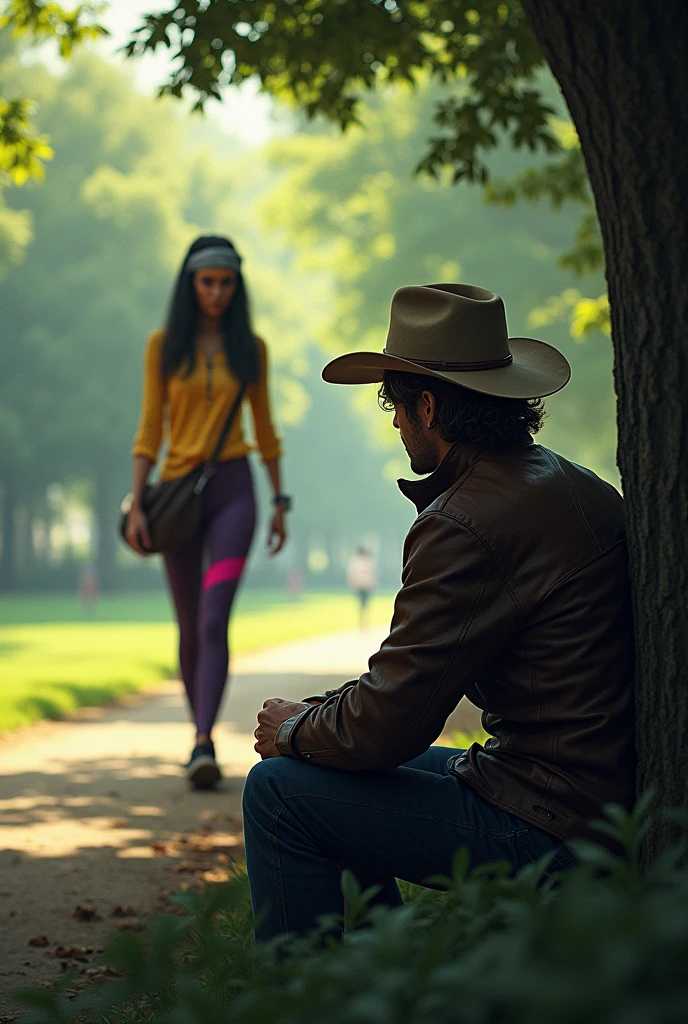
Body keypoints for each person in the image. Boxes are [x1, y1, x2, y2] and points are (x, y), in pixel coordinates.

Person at [243, 282, 635, 942]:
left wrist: (291, 732)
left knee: (279, 792)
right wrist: (317, 722)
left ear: (427, 407)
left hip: (553, 829)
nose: (395, 423)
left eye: (395, 407)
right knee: (320, 760)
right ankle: (384, 983)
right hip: (586, 801)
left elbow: (389, 726)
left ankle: (312, 997)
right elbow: (396, 696)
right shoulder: (567, 482)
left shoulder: (466, 522)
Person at [126, 236, 291, 788]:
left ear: (236, 285)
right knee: (190, 626)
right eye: (207, 281)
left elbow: (265, 430)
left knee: (214, 617)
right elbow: (151, 429)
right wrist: (136, 502)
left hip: (235, 493)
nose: (217, 291)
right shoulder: (163, 346)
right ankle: (198, 735)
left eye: (226, 282)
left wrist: (280, 501)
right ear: (191, 284)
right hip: (175, 497)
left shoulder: (252, 349)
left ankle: (202, 742)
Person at [346, 546, 378, 628]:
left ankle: (365, 622)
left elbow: (373, 574)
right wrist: (352, 584)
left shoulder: (369, 562)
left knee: (366, 604)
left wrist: (373, 583)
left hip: (366, 586)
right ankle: (361, 623)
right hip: (360, 586)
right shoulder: (356, 562)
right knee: (361, 604)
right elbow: (352, 574)